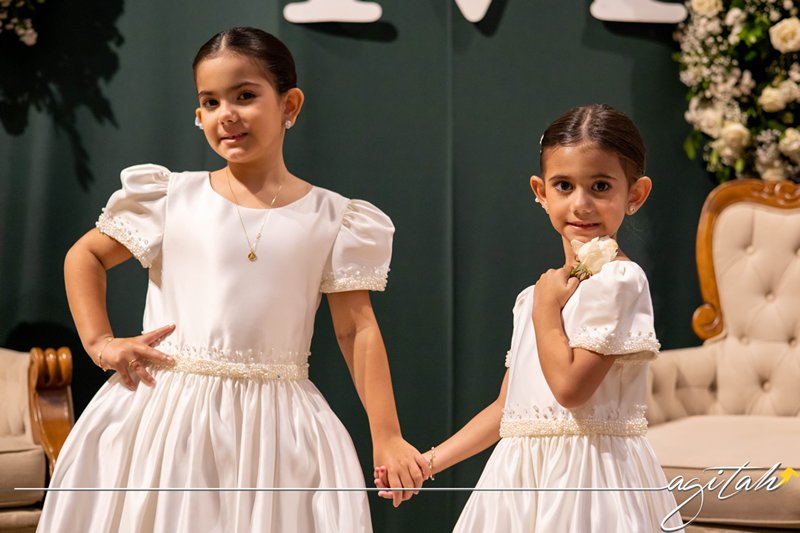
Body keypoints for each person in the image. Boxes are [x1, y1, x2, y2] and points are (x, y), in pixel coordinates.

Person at [38, 26, 428, 533]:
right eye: (211, 101)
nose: (227, 113)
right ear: (199, 114)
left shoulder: (334, 218)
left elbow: (357, 329)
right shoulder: (172, 198)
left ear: (289, 105)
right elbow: (85, 255)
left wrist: (387, 435)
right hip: (167, 416)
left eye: (245, 96)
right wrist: (100, 342)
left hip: (277, 427)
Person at [375, 104, 683, 532]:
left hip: (589, 483)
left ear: (635, 194)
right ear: (541, 192)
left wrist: (546, 309)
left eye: (600, 186)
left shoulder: (618, 281)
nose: (581, 203)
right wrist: (425, 465)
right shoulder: (534, 298)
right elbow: (509, 408)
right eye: (564, 185)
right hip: (519, 484)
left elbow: (570, 390)